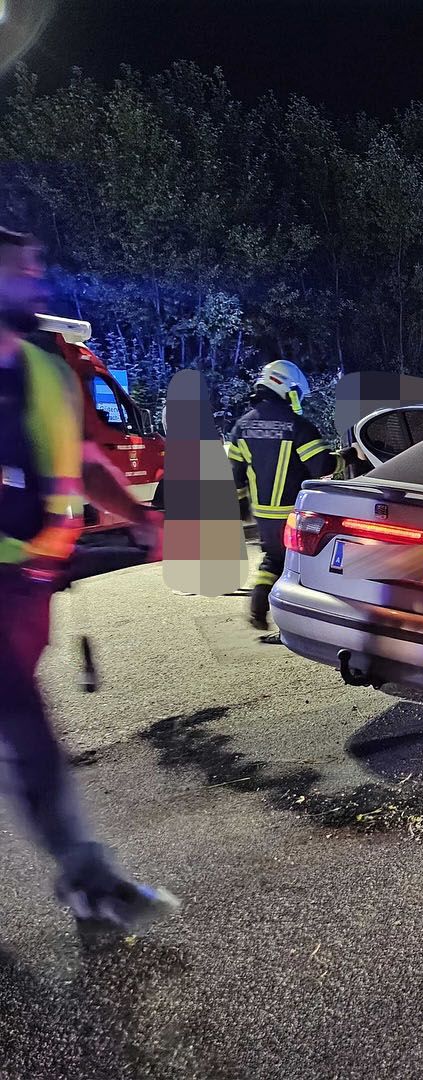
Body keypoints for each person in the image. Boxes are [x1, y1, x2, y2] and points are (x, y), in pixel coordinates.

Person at [0, 227, 179, 933]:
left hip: (27, 588)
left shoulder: (45, 370)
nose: (37, 283)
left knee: (22, 731)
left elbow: (80, 459)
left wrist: (141, 516)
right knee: (26, 732)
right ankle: (89, 879)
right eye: (20, 272)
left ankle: (86, 879)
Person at [226, 360, 357, 640]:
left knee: (273, 558)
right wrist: (347, 456)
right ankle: (302, 624)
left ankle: (258, 603)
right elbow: (321, 465)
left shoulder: (242, 426)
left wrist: (239, 504)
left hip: (264, 515)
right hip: (294, 513)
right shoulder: (297, 426)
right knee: (303, 566)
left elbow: (234, 474)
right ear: (286, 387)